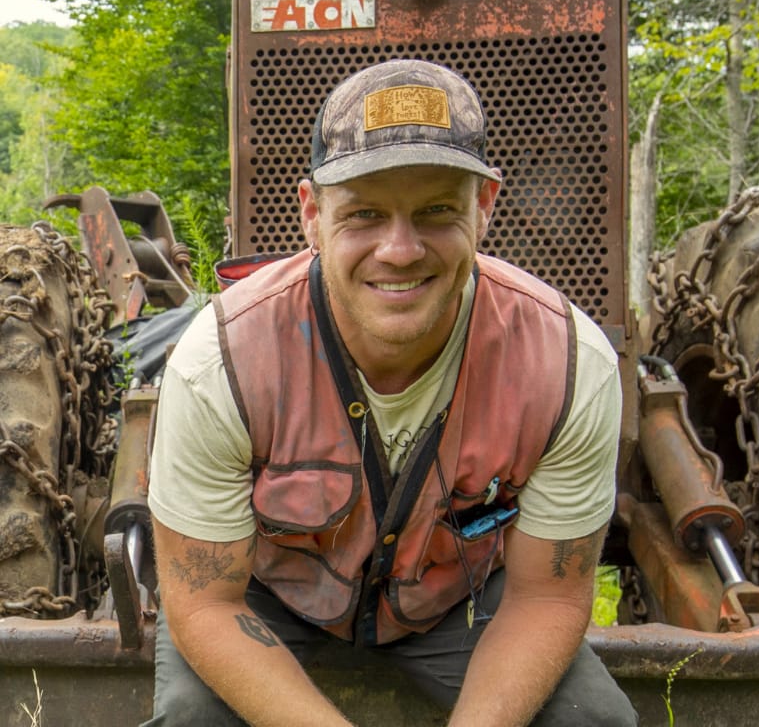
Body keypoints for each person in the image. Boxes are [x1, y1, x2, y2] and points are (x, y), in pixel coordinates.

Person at [143, 58, 638, 727]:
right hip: (267, 601)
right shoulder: (221, 363)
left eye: (436, 211)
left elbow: (546, 598)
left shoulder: (566, 365)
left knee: (593, 720)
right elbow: (206, 603)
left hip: (454, 607)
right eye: (365, 214)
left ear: (483, 207)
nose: (399, 251)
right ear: (312, 214)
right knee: (190, 717)